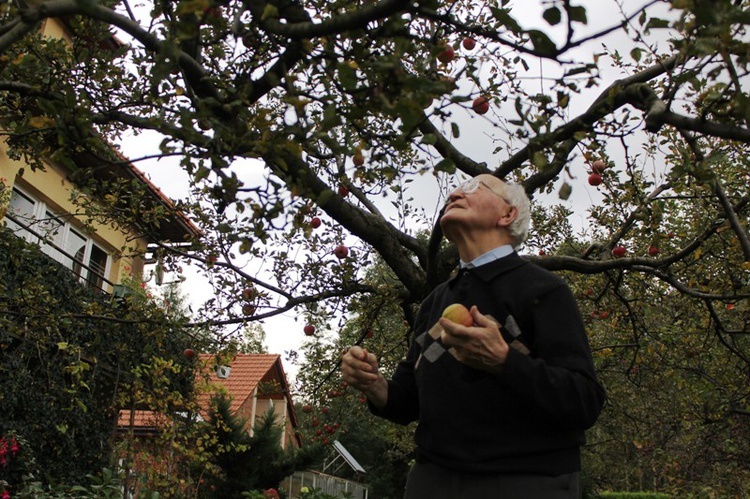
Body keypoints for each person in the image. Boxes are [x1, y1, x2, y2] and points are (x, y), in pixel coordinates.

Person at [341, 174, 605, 499]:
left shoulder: (544, 291)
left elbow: (584, 401)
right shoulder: (433, 304)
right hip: (432, 480)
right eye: (456, 188)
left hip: (526, 480)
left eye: (473, 187)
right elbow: (407, 402)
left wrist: (506, 361)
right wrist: (373, 384)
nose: (454, 192)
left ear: (507, 215)